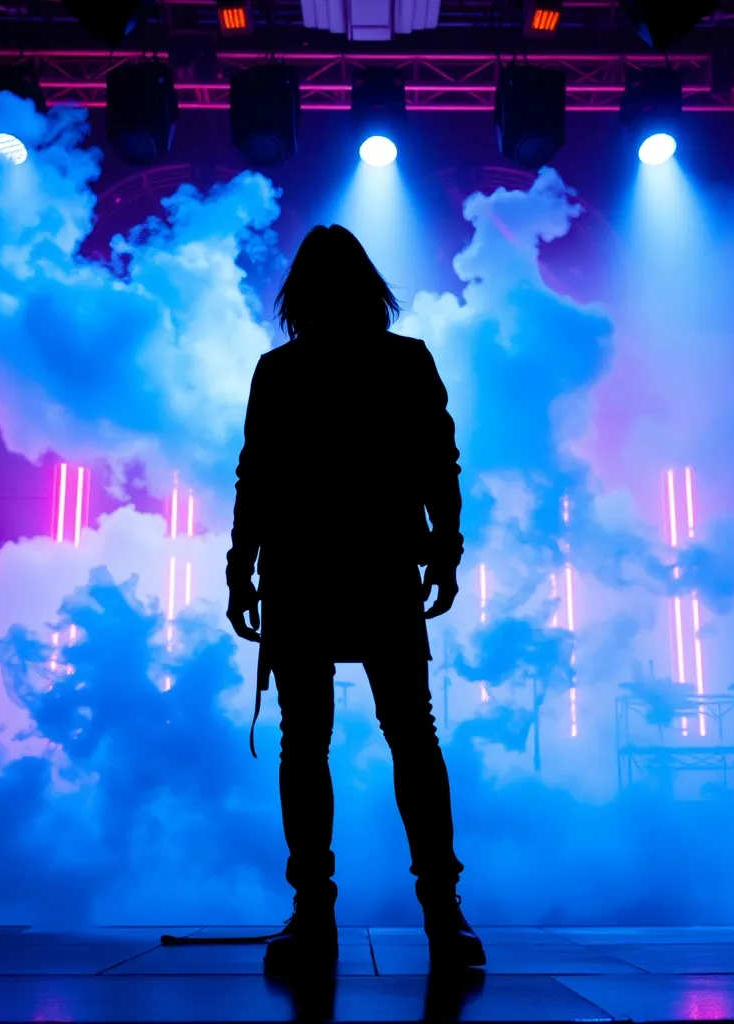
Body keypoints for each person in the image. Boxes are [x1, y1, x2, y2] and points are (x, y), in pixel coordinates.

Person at [226, 225, 485, 975]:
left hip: (304, 569)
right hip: (376, 564)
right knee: (410, 734)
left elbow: (256, 477)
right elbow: (439, 463)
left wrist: (241, 570)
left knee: (307, 741)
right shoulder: (403, 360)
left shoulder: (281, 369)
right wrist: (446, 549)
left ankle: (315, 912)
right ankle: (441, 911)